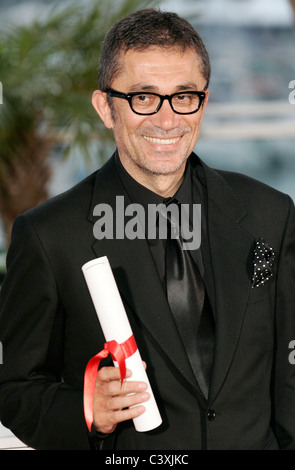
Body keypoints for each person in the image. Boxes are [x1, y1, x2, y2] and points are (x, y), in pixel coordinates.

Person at [0, 8, 295, 451]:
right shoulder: (49, 236)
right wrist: (86, 410)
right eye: (143, 97)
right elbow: (15, 388)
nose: (167, 119)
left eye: (184, 96)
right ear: (106, 108)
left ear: (204, 102)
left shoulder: (270, 213)